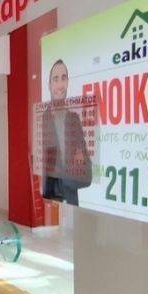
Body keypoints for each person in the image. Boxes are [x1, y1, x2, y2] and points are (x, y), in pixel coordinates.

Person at [42, 59, 92, 206]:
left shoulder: (74, 120)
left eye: (63, 78)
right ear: (49, 85)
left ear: (68, 82)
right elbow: (42, 173)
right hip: (50, 203)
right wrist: (70, 170)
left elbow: (87, 175)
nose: (60, 84)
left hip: (71, 203)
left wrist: (61, 175)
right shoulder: (41, 120)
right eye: (55, 79)